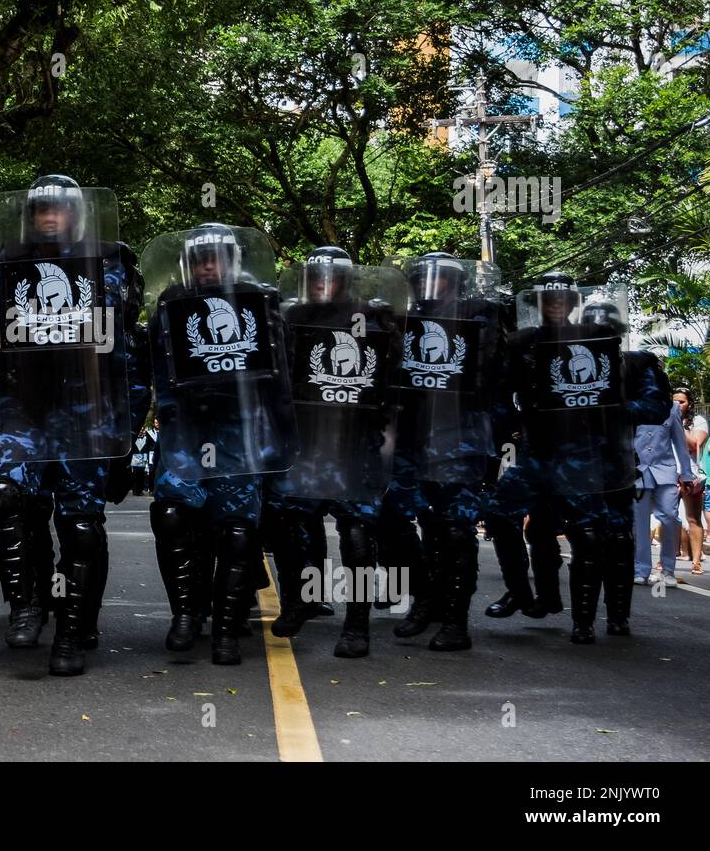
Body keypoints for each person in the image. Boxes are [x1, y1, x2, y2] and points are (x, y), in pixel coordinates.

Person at [0, 174, 148, 676]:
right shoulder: (4, 267)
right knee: (5, 497)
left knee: (79, 526)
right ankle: (28, 603)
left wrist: (127, 436)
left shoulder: (109, 263)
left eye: (58, 209)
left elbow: (128, 359)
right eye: (40, 210)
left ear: (77, 215)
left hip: (87, 414)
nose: (49, 217)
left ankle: (75, 629)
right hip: (24, 410)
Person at [486, 276, 668, 643]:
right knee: (507, 517)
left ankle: (606, 618)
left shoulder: (623, 357)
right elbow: (498, 396)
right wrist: (509, 423)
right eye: (547, 299)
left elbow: (654, 407)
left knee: (604, 536)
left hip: (596, 458)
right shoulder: (526, 346)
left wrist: (610, 408)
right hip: (540, 455)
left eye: (562, 299)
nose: (555, 304)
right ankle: (525, 594)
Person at [145, 223, 297, 664]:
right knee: (172, 515)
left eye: (215, 258)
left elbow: (281, 377)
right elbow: (157, 369)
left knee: (235, 532)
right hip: (187, 432)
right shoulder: (170, 306)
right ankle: (186, 615)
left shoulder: (261, 303)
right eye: (199, 259)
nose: (207, 266)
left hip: (240, 434)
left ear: (231, 261)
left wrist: (283, 437)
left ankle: (227, 631)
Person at [271, 247, 404, 658]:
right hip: (306, 445)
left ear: (347, 280)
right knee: (291, 525)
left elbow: (396, 379)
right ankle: (302, 598)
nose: (323, 283)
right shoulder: (290, 317)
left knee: (359, 535)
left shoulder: (374, 317)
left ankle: (357, 623)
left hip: (356, 445)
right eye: (315, 276)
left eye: (332, 276)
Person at [377, 253, 504, 652]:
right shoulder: (403, 318)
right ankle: (425, 595)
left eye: (441, 279)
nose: (431, 285)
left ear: (454, 283)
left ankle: (455, 621)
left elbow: (491, 375)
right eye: (422, 279)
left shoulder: (477, 318)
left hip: (458, 439)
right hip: (410, 439)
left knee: (454, 530)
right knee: (390, 518)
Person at [631, 396, 695, 585]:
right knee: (639, 523)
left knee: (670, 517)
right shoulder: (631, 405)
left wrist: (686, 475)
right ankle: (641, 569)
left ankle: (668, 570)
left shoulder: (671, 407)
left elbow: (680, 443)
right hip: (638, 471)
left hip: (665, 471)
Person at [673, 388, 706, 574]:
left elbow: (694, 444)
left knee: (693, 519)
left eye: (682, 402)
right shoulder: (665, 417)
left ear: (689, 403)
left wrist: (678, 424)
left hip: (691, 477)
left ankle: (696, 561)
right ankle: (666, 559)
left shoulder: (698, 421)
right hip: (669, 475)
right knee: (669, 518)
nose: (677, 405)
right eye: (674, 401)